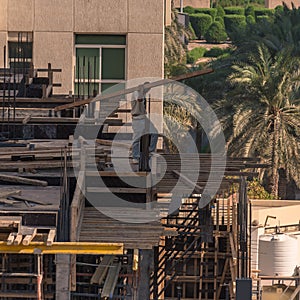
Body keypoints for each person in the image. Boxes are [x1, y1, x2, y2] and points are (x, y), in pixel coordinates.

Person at [131, 83, 158, 165]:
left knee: (154, 133)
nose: (148, 90)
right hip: (137, 118)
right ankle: (135, 157)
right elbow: (139, 99)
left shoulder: (144, 93)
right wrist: (141, 90)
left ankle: (150, 151)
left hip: (143, 117)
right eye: (147, 89)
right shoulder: (136, 93)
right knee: (137, 138)